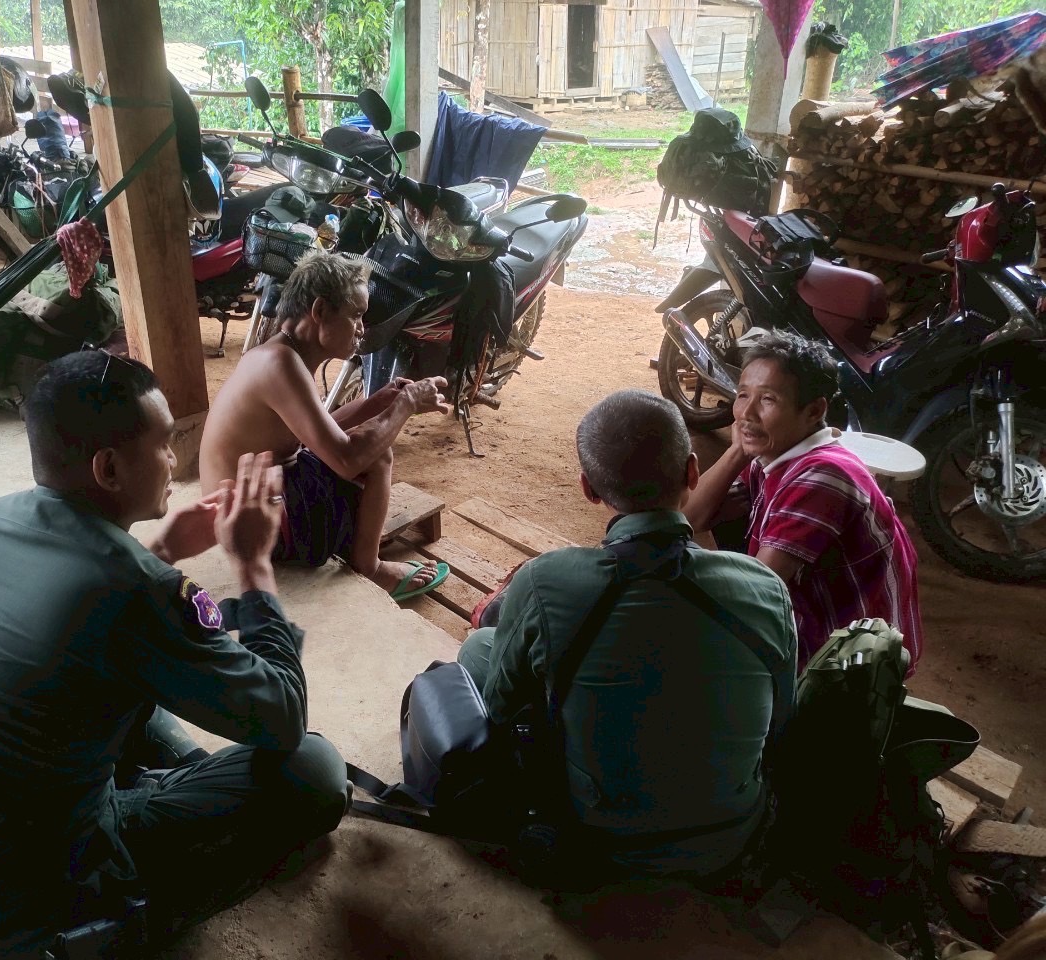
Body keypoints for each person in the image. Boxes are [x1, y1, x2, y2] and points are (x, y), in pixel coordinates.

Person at [0, 351, 348, 960]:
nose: (175, 460)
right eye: (164, 444)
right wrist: (252, 565)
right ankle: (134, 896)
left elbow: (93, 621)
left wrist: (161, 551)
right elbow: (283, 718)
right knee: (313, 771)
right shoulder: (135, 591)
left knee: (125, 687)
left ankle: (175, 790)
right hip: (16, 924)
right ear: (109, 468)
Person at [458, 390, 797, 878]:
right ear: (693, 472)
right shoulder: (763, 587)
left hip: (595, 836)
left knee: (480, 647)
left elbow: (500, 706)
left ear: (588, 489)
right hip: (727, 837)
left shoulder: (545, 581)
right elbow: (781, 719)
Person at [199, 250, 452, 601]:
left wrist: (380, 401)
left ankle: (350, 541)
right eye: (356, 315)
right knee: (375, 457)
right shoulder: (280, 364)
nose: (362, 328)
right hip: (253, 527)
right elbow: (346, 459)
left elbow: (312, 434)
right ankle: (371, 567)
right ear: (319, 311)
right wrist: (405, 404)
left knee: (360, 449)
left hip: (252, 503)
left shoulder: (282, 353)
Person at [682, 330, 924, 673]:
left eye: (768, 399)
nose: (746, 413)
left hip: (853, 662)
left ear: (814, 411)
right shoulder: (776, 451)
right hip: (823, 624)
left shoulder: (823, 476)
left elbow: (756, 589)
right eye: (743, 394)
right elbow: (691, 517)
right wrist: (738, 450)